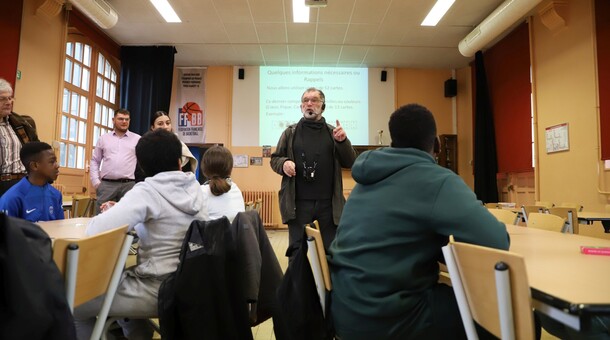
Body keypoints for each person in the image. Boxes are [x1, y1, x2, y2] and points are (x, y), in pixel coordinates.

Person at [328, 103, 510, 339]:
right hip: (392, 319)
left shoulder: (364, 180)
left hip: (345, 312)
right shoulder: (437, 179)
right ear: (435, 145)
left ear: (392, 141)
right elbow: (497, 242)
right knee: (508, 314)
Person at [74, 129, 208, 339]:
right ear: (179, 161)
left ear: (142, 165)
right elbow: (168, 223)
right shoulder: (195, 187)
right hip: (194, 282)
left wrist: (117, 213)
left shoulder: (148, 191)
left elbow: (95, 230)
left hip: (158, 288)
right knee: (122, 284)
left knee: (77, 304)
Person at [270, 87, 356, 254]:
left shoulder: (334, 133)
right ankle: (297, 281)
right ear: (301, 107)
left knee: (331, 251)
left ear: (322, 106)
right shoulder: (289, 133)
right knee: (297, 253)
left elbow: (350, 162)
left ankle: (328, 281)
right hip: (298, 204)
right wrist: (284, 163)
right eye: (305, 101)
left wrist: (343, 141)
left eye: (314, 100)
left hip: (328, 206)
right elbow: (275, 159)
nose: (309, 103)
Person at [90, 108, 140, 214]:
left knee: (128, 218)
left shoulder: (137, 139)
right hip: (107, 185)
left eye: (127, 119)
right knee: (101, 219)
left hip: (129, 185)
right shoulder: (103, 139)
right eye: (121, 119)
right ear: (113, 120)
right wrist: (96, 182)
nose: (124, 122)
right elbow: (95, 161)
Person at [0, 141, 63, 222]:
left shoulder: (56, 195)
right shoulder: (11, 199)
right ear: (34, 166)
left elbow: (60, 229)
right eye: (52, 162)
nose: (57, 165)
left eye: (56, 161)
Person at [0, 78, 39, 197]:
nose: (8, 102)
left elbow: (37, 152)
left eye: (10, 98)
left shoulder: (21, 125)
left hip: (22, 183)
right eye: (2, 98)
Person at [200, 145, 244, 223]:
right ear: (230, 169)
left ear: (204, 169)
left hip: (209, 235)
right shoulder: (235, 189)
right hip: (234, 235)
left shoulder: (200, 192)